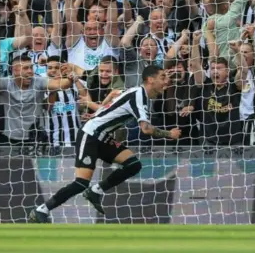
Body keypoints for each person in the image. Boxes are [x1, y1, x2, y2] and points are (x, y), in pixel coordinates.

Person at [29, 65, 181, 223]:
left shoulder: (136, 92)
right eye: (162, 77)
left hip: (103, 136)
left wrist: (99, 110)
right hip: (90, 135)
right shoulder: (139, 95)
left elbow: (115, 93)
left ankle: (96, 191)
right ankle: (42, 209)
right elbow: (146, 129)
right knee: (81, 183)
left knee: (133, 164)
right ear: (150, 80)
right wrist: (169, 134)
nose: (167, 81)